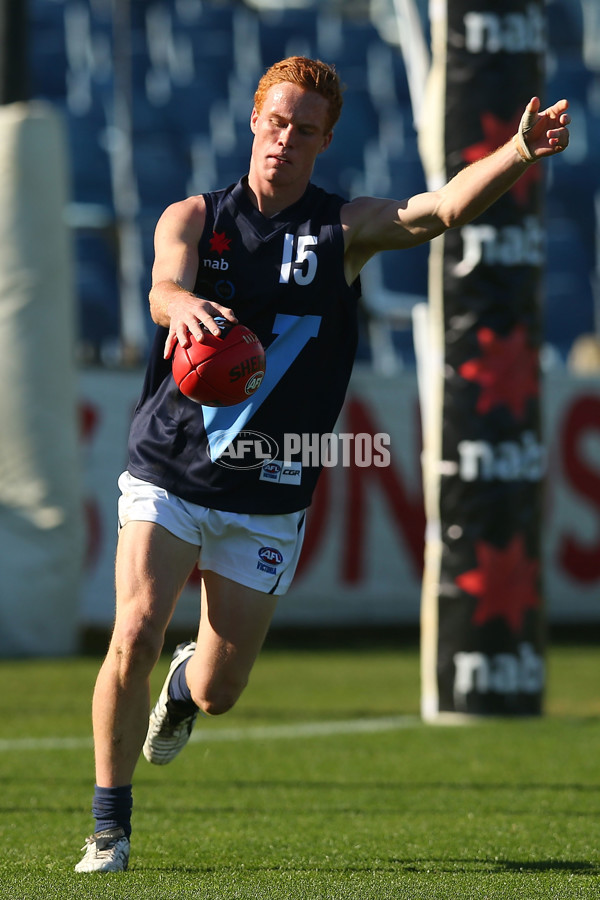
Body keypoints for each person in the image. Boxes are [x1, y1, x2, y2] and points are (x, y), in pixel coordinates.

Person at [75, 56, 570, 873]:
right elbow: (166, 286)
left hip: (270, 488)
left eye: (305, 130)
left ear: (326, 140)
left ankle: (180, 693)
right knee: (134, 626)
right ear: (253, 122)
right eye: (276, 122)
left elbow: (437, 210)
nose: (285, 140)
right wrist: (185, 303)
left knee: (218, 690)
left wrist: (516, 153)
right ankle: (108, 828)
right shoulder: (197, 217)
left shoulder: (343, 229)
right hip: (170, 465)